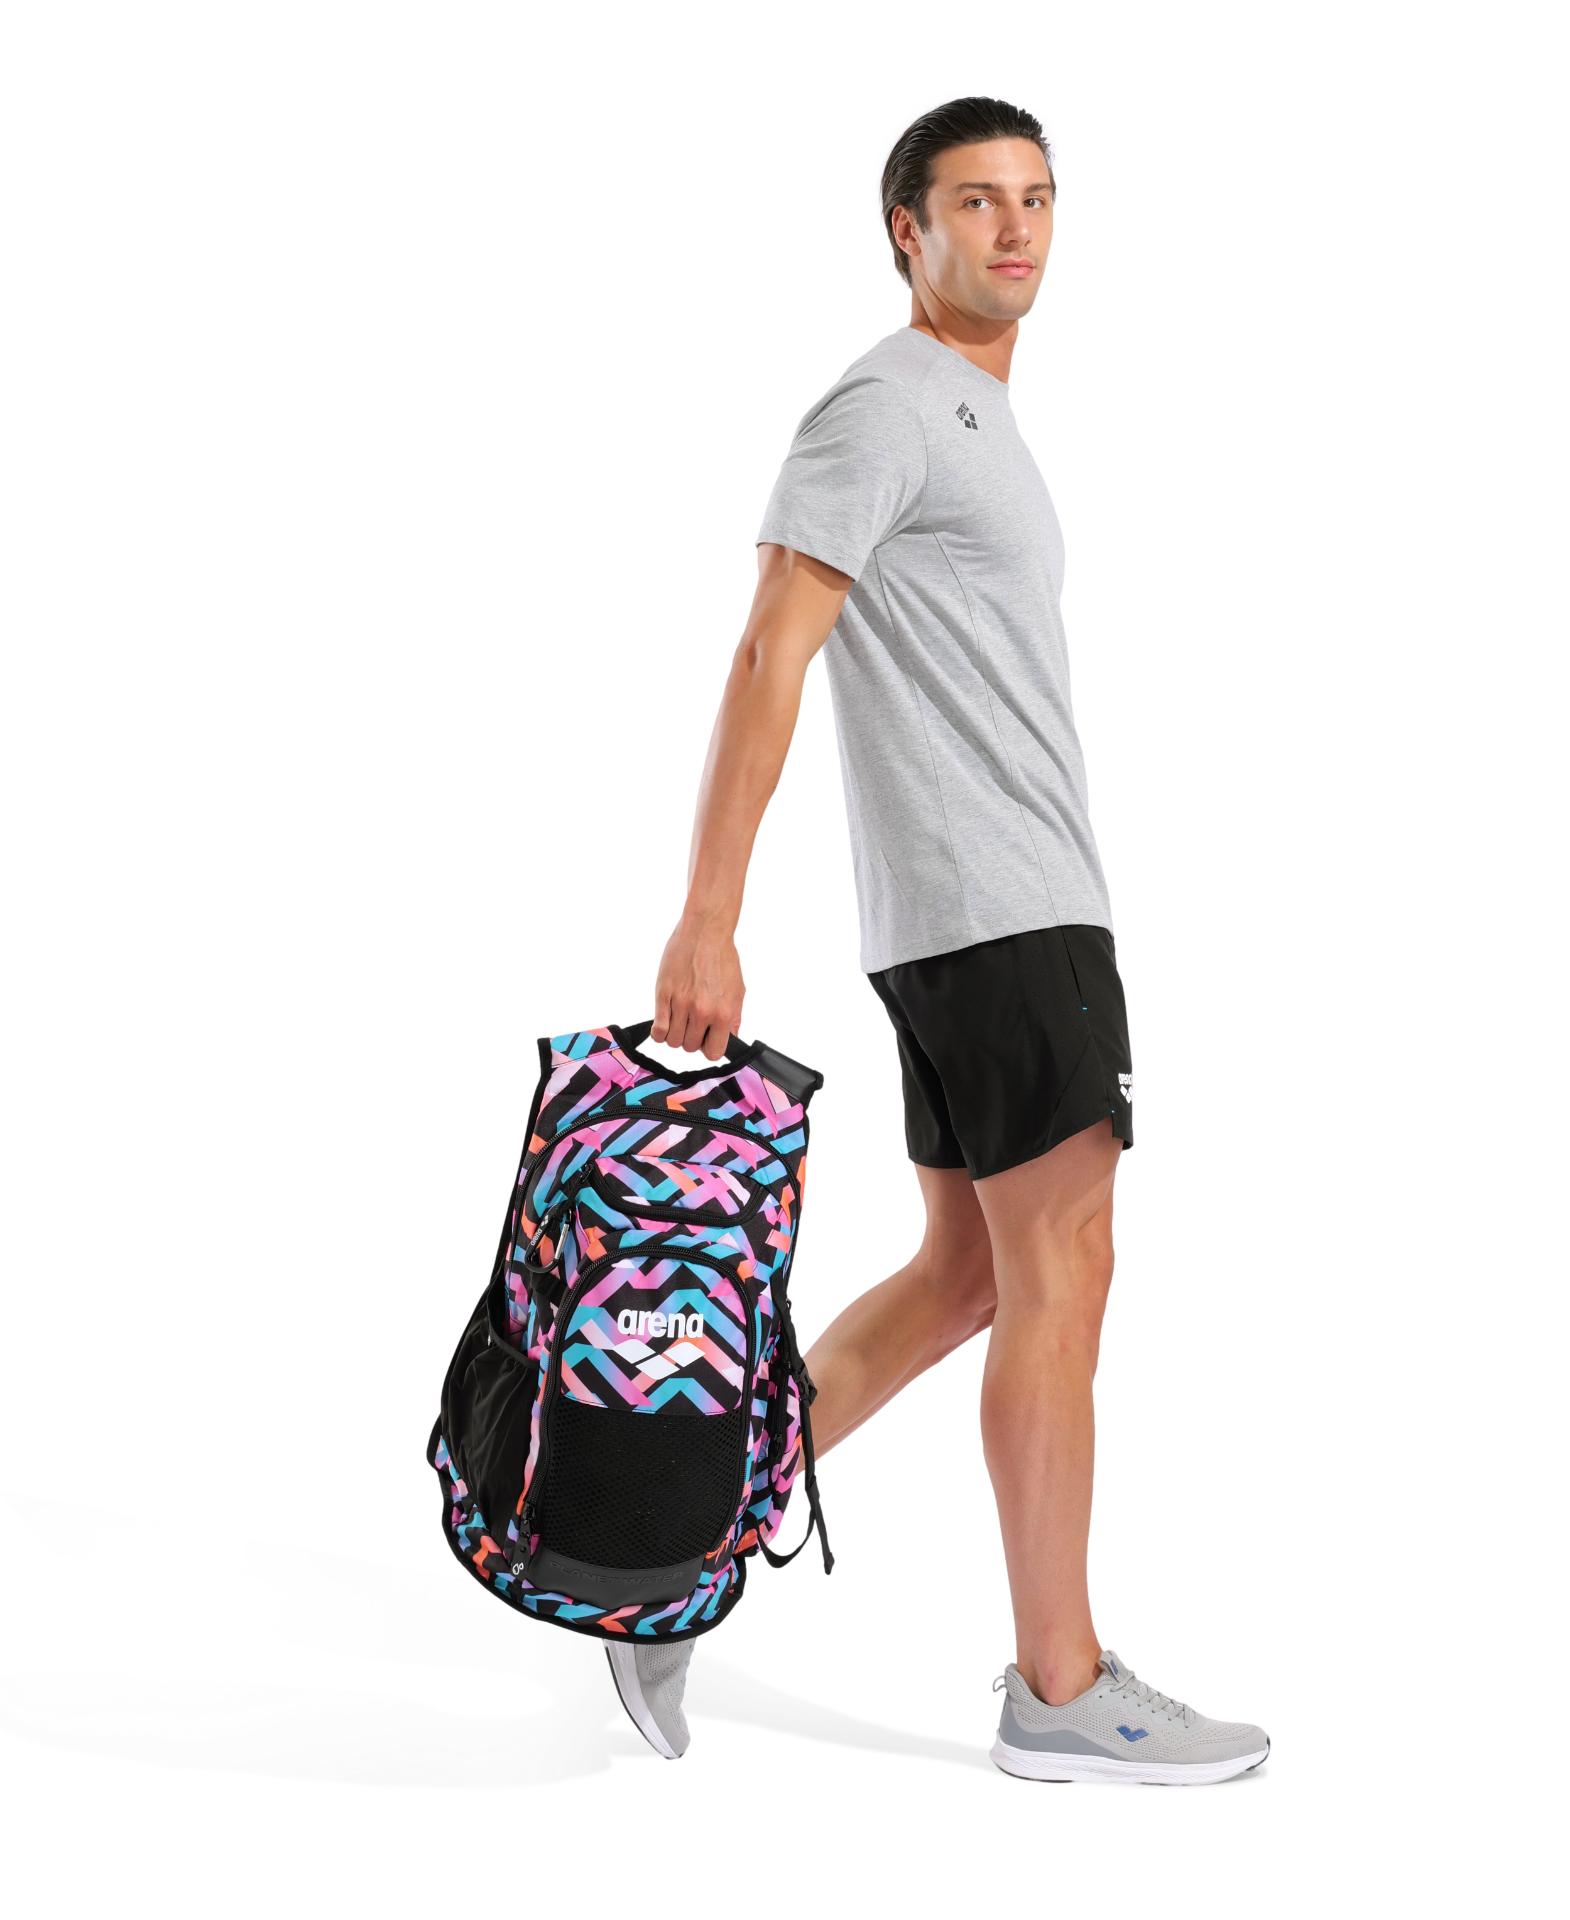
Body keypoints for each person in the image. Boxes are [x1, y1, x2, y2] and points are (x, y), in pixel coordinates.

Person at [618, 95, 1268, 1789]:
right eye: (973, 202)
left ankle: (653, 1569)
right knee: (1064, 1272)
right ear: (903, 233)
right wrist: (707, 910)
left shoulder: (972, 413)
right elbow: (770, 646)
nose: (1015, 227)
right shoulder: (885, 405)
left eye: (1034, 197)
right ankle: (1059, 1686)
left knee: (964, 1277)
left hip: (979, 916)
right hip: (1001, 916)